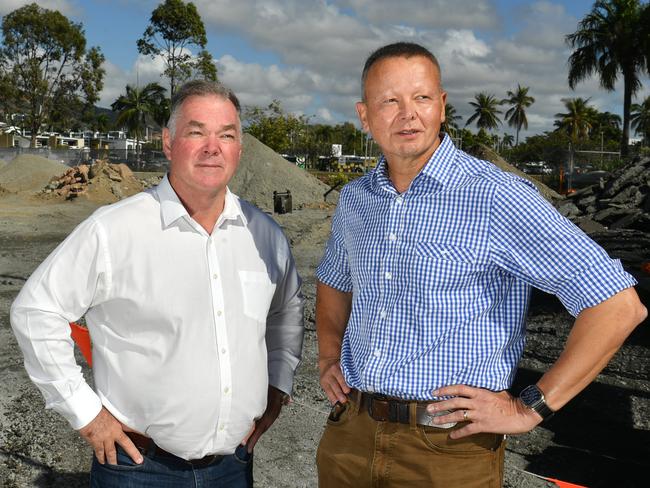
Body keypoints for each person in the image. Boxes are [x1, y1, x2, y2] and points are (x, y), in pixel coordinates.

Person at [315, 42, 646, 487]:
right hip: (350, 436)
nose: (407, 114)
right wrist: (328, 356)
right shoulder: (356, 200)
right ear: (365, 115)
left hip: (447, 451)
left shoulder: (495, 197)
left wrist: (531, 406)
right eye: (389, 101)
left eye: (421, 98)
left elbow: (618, 305)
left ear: (442, 106)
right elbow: (334, 279)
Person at [10, 80, 304, 487]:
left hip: (233, 467)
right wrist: (88, 416)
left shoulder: (265, 235)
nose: (212, 147)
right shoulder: (114, 230)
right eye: (196, 132)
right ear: (168, 142)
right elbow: (35, 311)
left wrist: (278, 381)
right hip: (138, 469)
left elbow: (286, 309)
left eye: (227, 135)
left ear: (239, 147)